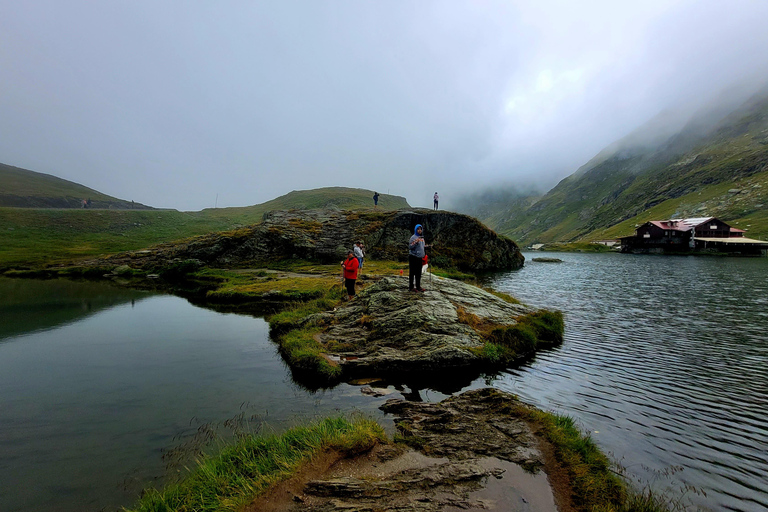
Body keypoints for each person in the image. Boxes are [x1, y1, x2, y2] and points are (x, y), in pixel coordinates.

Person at [408, 224, 428, 292]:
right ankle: (411, 287)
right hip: (413, 257)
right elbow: (410, 247)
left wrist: (427, 247)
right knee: (412, 272)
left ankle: (418, 286)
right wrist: (416, 241)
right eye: (418, 229)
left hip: (420, 258)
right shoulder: (413, 237)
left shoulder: (422, 238)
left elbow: (422, 246)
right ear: (416, 230)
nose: (419, 230)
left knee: (418, 273)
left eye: (420, 229)